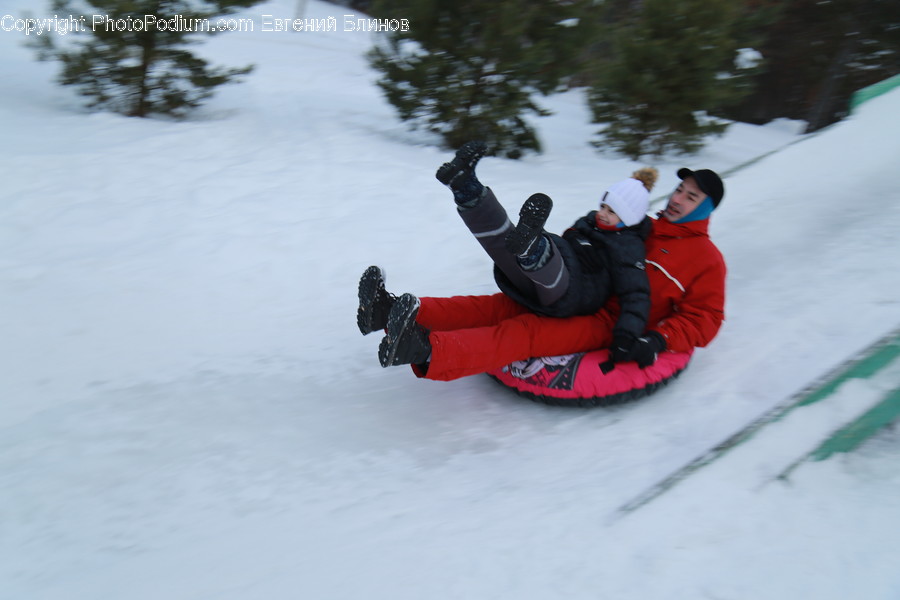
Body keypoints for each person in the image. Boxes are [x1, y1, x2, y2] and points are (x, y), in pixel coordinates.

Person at [357, 145, 727, 382]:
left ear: (705, 208)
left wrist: (656, 339)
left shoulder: (706, 259)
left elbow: (705, 320)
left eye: (691, 196)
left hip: (607, 322)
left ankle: (426, 350)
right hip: (579, 290)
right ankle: (385, 311)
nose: (678, 199)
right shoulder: (642, 222)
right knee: (492, 307)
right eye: (680, 190)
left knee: (526, 334)